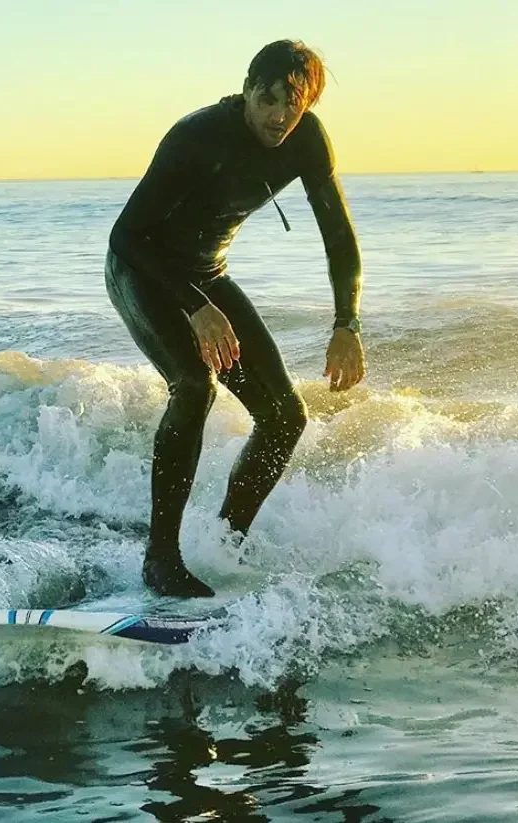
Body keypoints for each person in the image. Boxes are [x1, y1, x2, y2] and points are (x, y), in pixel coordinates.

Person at [105, 40, 365, 598]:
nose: (277, 116)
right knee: (194, 386)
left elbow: (339, 236)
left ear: (308, 105)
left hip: (207, 275)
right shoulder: (196, 136)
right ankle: (161, 559)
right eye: (267, 99)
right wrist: (196, 307)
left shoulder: (308, 141)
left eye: (291, 106)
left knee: (284, 417)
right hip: (142, 269)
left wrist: (347, 323)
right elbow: (125, 235)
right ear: (247, 89)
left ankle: (225, 544)